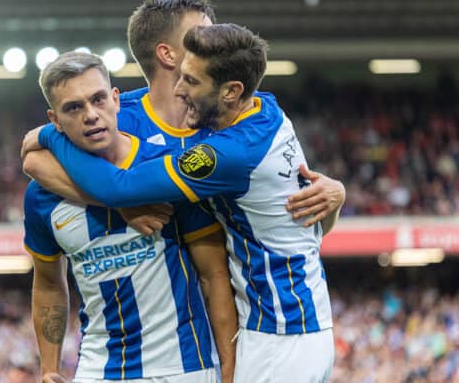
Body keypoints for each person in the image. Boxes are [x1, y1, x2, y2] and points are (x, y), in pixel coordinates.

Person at [34, 24, 337, 383]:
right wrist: (336, 198)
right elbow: (310, 225)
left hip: (281, 333)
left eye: (191, 82)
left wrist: (47, 135)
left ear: (231, 92)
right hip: (295, 323)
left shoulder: (227, 154)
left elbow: (120, 187)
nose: (179, 90)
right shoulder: (266, 108)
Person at [22, 0, 345, 230]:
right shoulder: (114, 116)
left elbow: (301, 219)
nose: (215, 40)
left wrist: (336, 196)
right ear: (167, 54)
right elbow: (33, 159)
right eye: (201, 35)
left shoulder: (236, 116)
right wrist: (116, 204)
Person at [24, 51, 237, 383]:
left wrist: (229, 371)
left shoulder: (165, 168)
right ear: (54, 120)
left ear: (116, 100)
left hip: (183, 368)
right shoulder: (42, 196)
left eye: (97, 100)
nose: (91, 115)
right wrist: (49, 368)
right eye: (74, 107)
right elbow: (49, 283)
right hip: (97, 371)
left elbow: (214, 275)